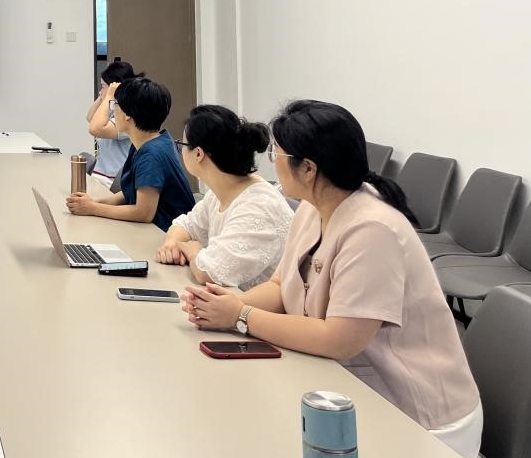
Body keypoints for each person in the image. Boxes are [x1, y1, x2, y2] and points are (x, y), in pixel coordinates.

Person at [181, 101, 482, 456]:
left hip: (419, 419)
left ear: (308, 168)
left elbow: (339, 339)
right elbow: (280, 287)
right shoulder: (312, 208)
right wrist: (225, 305)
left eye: (277, 152)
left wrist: (240, 317)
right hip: (345, 385)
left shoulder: (373, 229)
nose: (272, 160)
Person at [155, 105, 293, 289]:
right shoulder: (223, 189)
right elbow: (187, 225)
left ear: (198, 154)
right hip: (232, 300)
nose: (180, 151)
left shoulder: (258, 206)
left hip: (253, 305)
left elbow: (209, 272)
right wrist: (172, 244)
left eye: (182, 145)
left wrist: (193, 251)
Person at [66, 77, 195, 230]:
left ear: (128, 114)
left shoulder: (151, 154)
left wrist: (93, 208)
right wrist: (92, 203)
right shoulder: (151, 141)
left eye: (115, 105)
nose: (113, 111)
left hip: (164, 234)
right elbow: (130, 192)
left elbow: (143, 213)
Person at [84, 57, 142, 185]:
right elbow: (90, 118)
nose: (100, 90)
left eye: (103, 86)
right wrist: (103, 97)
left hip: (114, 180)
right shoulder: (113, 107)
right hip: (101, 175)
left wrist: (109, 95)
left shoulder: (127, 114)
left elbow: (95, 129)